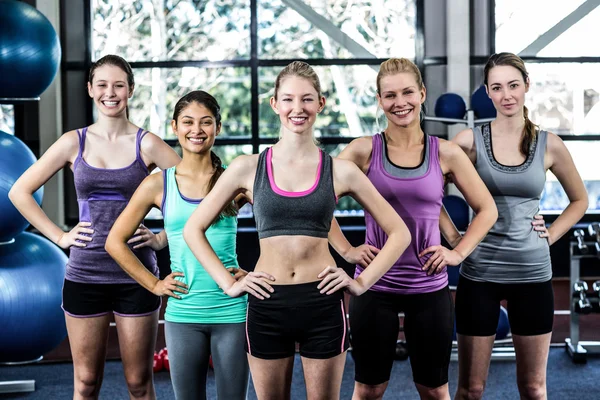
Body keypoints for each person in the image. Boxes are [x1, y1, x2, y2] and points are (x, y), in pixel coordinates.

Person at [182, 61, 412, 400]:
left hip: (322, 303)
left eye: (307, 99)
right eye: (288, 99)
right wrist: (229, 283)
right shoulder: (249, 166)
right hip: (266, 301)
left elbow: (399, 232)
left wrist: (361, 282)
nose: (297, 108)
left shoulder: (341, 170)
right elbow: (193, 229)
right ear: (275, 104)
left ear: (320, 103)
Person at [9, 55, 181, 399]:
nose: (110, 92)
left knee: (138, 383)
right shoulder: (74, 142)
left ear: (130, 90)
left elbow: (194, 193)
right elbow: (19, 191)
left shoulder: (146, 143)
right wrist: (59, 235)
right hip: (85, 274)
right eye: (102, 84)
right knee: (85, 383)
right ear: (90, 89)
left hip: (137, 276)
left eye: (119, 85)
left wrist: (161, 239)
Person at [326, 57, 497, 400]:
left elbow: (487, 209)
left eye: (407, 92)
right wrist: (347, 250)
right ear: (379, 100)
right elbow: (316, 203)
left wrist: (458, 251)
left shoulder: (445, 153)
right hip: (373, 284)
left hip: (428, 286)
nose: (399, 102)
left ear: (421, 94)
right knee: (370, 388)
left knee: (434, 390)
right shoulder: (363, 151)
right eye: (389, 95)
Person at [452, 52, 588, 400]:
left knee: (533, 387)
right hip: (480, 272)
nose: (506, 94)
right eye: (497, 88)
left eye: (513, 85)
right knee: (471, 389)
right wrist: (454, 237)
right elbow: (426, 191)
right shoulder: (468, 142)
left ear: (527, 85)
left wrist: (551, 235)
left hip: (532, 272)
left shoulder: (548, 143)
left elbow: (579, 201)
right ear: (488, 92)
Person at [106, 90, 251, 400]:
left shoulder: (234, 180)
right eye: (188, 122)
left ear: (218, 128)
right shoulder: (159, 183)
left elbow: (282, 219)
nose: (196, 130)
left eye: (206, 122)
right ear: (174, 126)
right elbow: (115, 242)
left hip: (232, 312)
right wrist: (155, 284)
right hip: (184, 313)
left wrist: (257, 272)